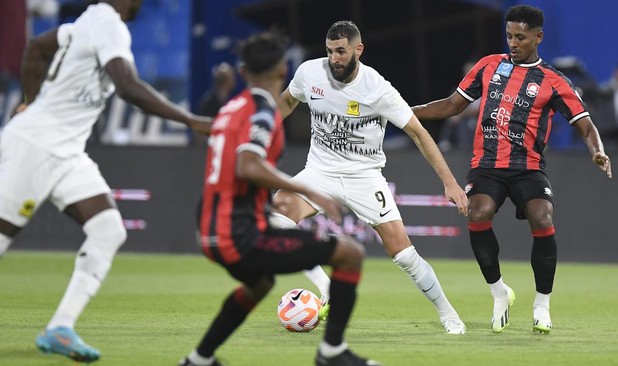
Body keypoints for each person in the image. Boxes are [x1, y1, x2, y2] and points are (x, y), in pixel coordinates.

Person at [0, 0, 211, 362]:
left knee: (108, 229)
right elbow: (127, 86)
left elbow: (36, 48)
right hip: (36, 145)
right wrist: (190, 119)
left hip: (66, 152)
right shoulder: (108, 23)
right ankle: (59, 328)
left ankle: (60, 329)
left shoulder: (87, 21)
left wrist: (30, 100)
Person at [181, 32, 380, 366]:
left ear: (243, 73)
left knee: (259, 284)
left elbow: (220, 142)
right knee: (349, 254)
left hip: (210, 228)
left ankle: (199, 360)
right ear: (281, 72)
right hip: (238, 234)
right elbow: (248, 164)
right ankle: (331, 353)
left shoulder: (233, 109)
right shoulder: (262, 114)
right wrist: (308, 189)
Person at [411, 4, 612, 334]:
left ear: (538, 37)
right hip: (486, 165)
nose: (513, 43)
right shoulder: (489, 66)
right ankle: (499, 292)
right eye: (509, 36)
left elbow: (586, 125)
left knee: (543, 217)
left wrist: (598, 152)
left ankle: (542, 305)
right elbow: (450, 105)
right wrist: (406, 111)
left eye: (520, 37)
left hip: (528, 167)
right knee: (477, 214)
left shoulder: (553, 81)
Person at [272, 20, 469, 335]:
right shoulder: (310, 73)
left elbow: (418, 134)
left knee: (403, 254)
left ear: (358, 50)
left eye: (340, 51)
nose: (334, 58)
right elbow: (286, 102)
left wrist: (449, 182)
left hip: (364, 176)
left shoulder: (377, 88)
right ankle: (327, 288)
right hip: (319, 171)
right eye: (329, 51)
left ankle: (448, 313)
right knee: (276, 220)